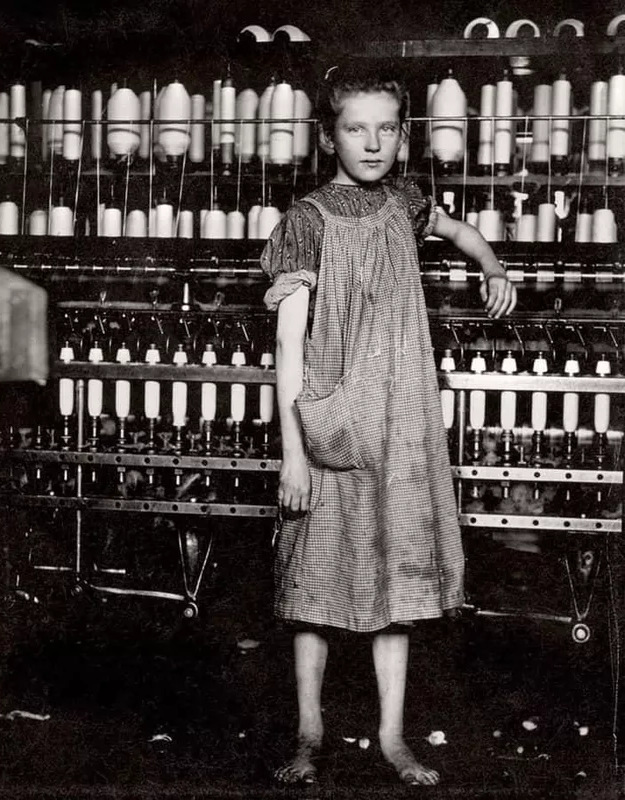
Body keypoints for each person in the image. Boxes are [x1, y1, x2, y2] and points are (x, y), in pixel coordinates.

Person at [260, 65, 517, 788]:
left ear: (402, 135)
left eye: (384, 128)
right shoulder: (305, 221)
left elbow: (460, 229)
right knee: (313, 588)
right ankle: (309, 733)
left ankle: (392, 738)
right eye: (353, 128)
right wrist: (294, 456)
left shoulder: (405, 200)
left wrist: (492, 266)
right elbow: (287, 348)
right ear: (326, 136)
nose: (370, 142)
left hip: (399, 423)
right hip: (329, 424)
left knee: (394, 585)